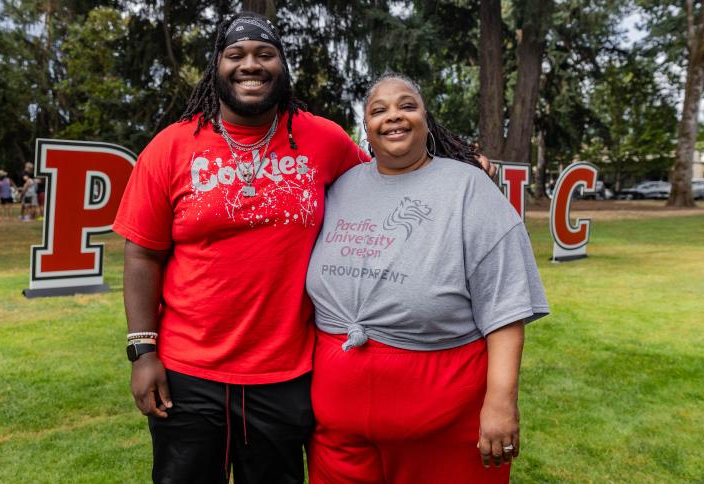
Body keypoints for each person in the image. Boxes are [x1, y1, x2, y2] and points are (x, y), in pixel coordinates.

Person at [112, 11, 372, 483]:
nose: (250, 64)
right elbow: (142, 254)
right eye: (236, 54)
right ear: (217, 67)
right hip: (188, 374)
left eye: (264, 54)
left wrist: (455, 160)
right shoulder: (171, 147)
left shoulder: (323, 139)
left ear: (282, 67)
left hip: (286, 373)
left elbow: (384, 179)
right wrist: (142, 353)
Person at [304, 74, 550, 483]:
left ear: (426, 119)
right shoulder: (341, 187)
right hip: (338, 436)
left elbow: (505, 309)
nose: (393, 116)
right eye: (378, 110)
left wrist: (500, 403)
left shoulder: (468, 188)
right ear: (365, 128)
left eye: (407, 105)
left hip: (445, 428)